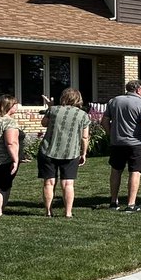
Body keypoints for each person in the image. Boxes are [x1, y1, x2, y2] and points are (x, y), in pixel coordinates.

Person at [37, 87, 90, 218]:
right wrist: (83, 153)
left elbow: (44, 123)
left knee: (48, 182)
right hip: (71, 152)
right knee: (68, 183)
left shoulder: (53, 110)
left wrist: (49, 108)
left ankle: (48, 212)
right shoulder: (83, 114)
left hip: (48, 150)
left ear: (63, 98)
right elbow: (85, 137)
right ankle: (68, 212)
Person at [105, 79, 141, 212]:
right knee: (135, 172)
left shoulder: (114, 101)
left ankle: (113, 201)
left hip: (117, 143)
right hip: (136, 143)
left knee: (115, 170)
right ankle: (131, 204)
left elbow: (104, 121)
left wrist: (111, 135)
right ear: (138, 90)